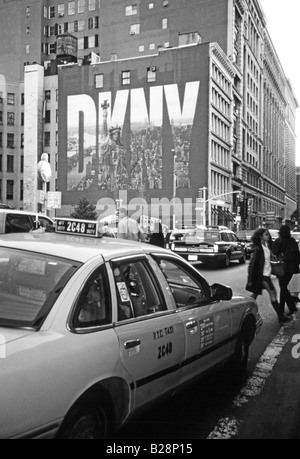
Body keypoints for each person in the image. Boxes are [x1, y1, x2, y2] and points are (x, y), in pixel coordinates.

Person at [246, 228, 292, 325]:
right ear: (260, 236)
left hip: (266, 275)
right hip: (262, 276)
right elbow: (252, 265)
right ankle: (281, 317)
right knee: (273, 294)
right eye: (266, 234)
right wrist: (250, 279)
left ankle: (244, 308)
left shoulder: (266, 246)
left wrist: (274, 263)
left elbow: (266, 261)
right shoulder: (258, 248)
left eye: (268, 234)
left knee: (254, 295)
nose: (268, 236)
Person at [272, 225, 300, 316]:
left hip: (282, 267)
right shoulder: (292, 241)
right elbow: (297, 254)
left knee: (283, 287)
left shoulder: (278, 241)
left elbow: (275, 252)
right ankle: (290, 306)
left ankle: (282, 308)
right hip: (291, 267)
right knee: (284, 287)